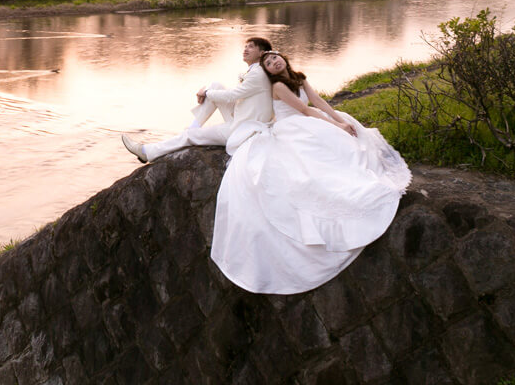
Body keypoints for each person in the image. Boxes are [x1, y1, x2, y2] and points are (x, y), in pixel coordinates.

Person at [210, 50, 410, 295]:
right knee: (315, 157)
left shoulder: (299, 77)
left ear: (283, 58)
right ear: (269, 72)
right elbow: (305, 111)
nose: (274, 63)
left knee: (346, 137)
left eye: (275, 58)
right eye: (269, 63)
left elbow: (318, 103)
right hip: (291, 127)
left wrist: (339, 119)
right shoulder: (279, 87)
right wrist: (334, 125)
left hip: (310, 119)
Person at [121, 37, 274, 163]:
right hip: (244, 119)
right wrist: (210, 92)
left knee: (190, 136)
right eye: (245, 46)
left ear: (261, 53)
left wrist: (207, 93)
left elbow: (232, 95)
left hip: (242, 130)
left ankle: (146, 152)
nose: (245, 49)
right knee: (217, 85)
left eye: (251, 47)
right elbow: (237, 97)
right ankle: (194, 126)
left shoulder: (257, 74)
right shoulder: (258, 71)